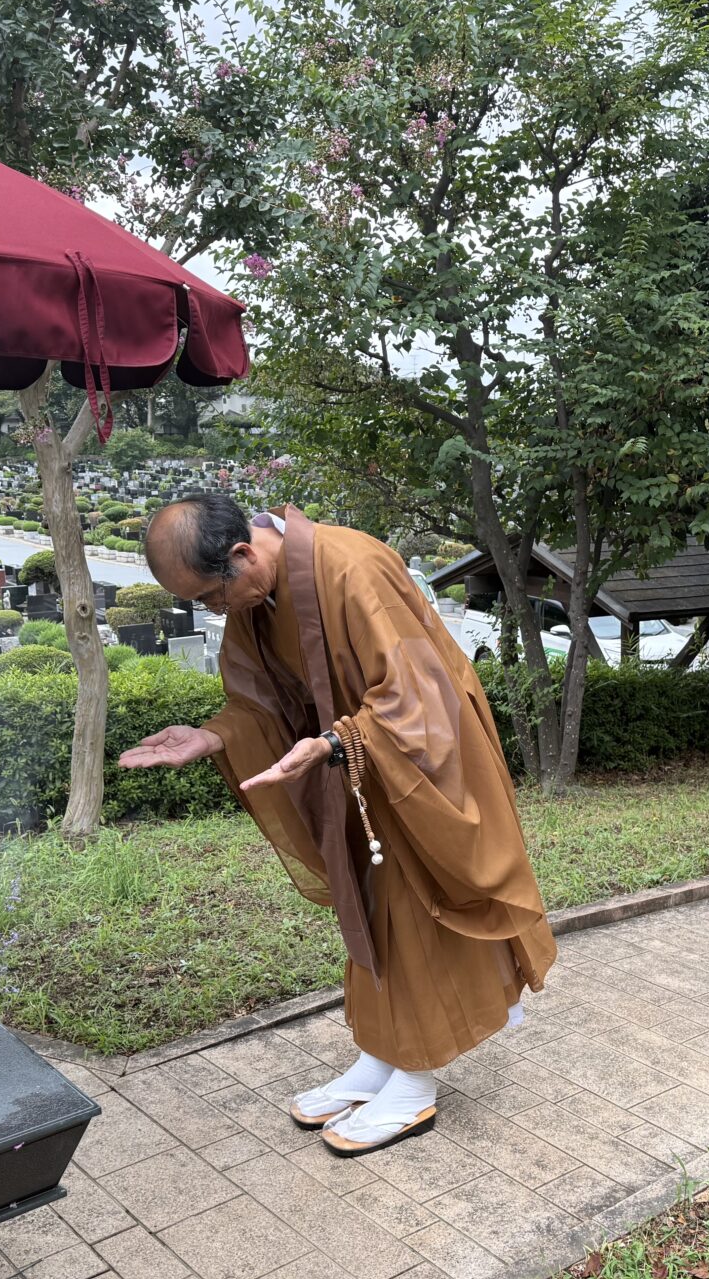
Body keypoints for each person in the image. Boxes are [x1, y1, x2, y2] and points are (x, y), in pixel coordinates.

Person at [118, 495, 557, 1156]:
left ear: (242, 554)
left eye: (211, 595)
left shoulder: (350, 566)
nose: (213, 610)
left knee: (415, 911)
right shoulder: (259, 595)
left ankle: (415, 1081)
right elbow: (264, 704)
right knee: (368, 903)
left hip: (419, 762)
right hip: (352, 765)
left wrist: (336, 740)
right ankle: (379, 1058)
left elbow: (418, 693)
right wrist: (214, 737)